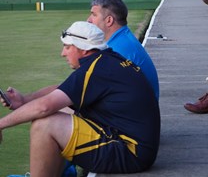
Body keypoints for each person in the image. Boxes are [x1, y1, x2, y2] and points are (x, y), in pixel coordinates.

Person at [0, 21, 160, 176]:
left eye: (67, 47)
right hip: (134, 145)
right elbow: (61, 91)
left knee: (44, 124)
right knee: (61, 108)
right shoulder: (106, 60)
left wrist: (1, 124)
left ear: (84, 49)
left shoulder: (95, 69)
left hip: (130, 152)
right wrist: (24, 101)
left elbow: (44, 107)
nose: (63, 53)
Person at [87, 0, 159, 100]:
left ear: (109, 20)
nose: (88, 20)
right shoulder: (122, 40)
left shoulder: (117, 50)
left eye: (94, 15)